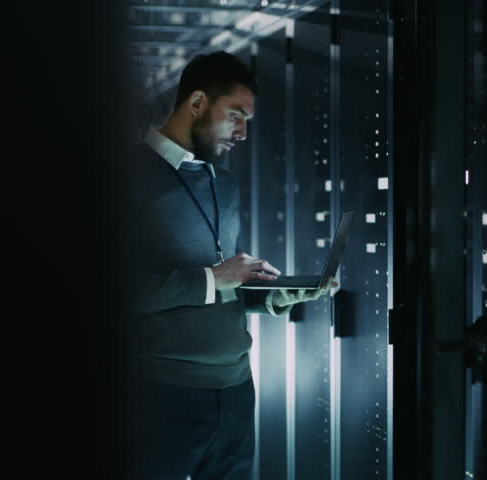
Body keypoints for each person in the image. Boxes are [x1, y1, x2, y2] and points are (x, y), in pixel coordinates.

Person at [121, 51, 333, 480]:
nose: (243, 133)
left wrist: (273, 297)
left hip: (236, 389)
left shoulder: (225, 184)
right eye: (235, 116)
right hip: (160, 394)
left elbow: (224, 287)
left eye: (248, 121)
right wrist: (213, 278)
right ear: (198, 103)